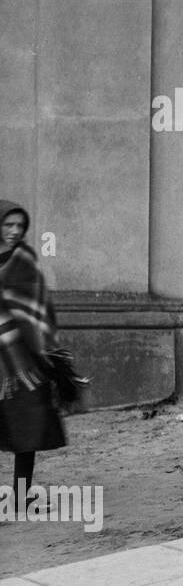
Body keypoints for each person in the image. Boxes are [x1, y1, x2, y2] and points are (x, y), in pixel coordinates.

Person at [0, 201, 67, 508]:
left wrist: (46, 348)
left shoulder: (24, 259)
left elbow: (39, 308)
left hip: (25, 361)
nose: (14, 231)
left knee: (26, 427)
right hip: (3, 361)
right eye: (8, 224)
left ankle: (21, 496)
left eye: (19, 225)